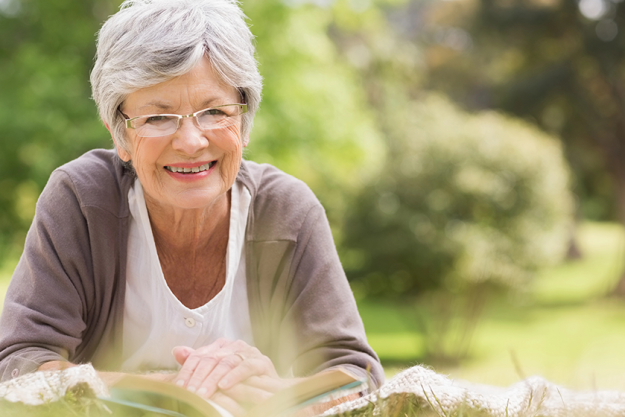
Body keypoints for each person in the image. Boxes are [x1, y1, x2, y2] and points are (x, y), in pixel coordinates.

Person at [0, 0, 383, 414]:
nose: (191, 142)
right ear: (119, 136)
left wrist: (278, 391)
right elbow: (19, 365)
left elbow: (357, 376)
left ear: (244, 122)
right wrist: (166, 388)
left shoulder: (288, 210)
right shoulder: (81, 200)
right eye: (158, 118)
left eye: (215, 111)